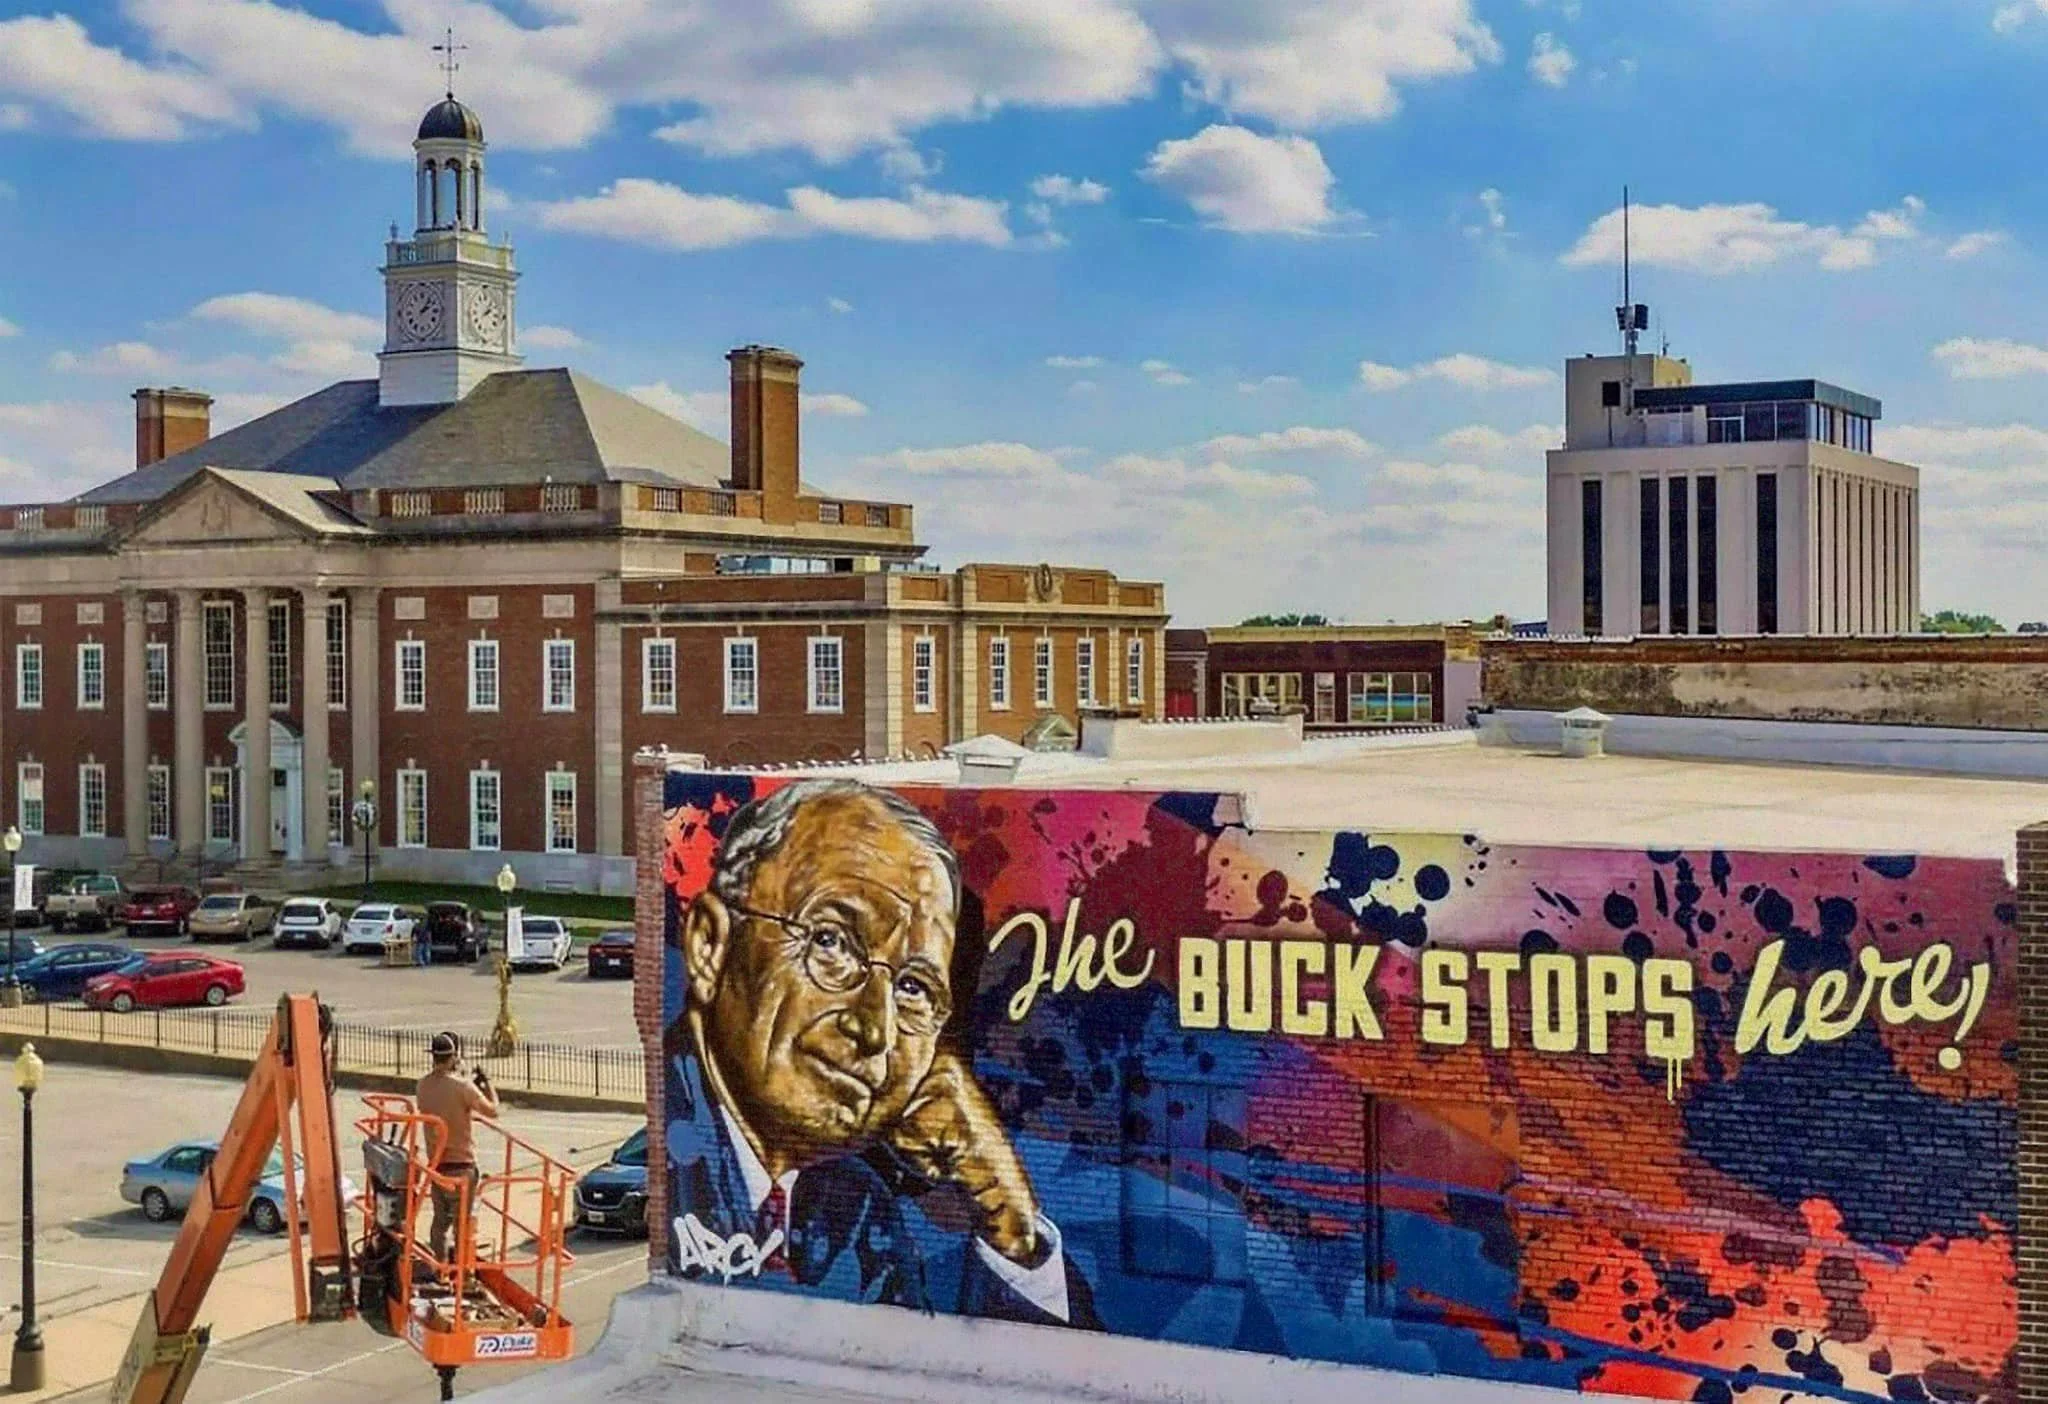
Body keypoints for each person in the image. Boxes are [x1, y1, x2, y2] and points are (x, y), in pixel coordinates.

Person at [665, 778, 1096, 1327]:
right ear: (709, 946)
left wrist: (1013, 1230)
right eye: (832, 942)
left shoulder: (854, 1202)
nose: (874, 1028)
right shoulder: (675, 1142)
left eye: (914, 989)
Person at [415, 1031, 499, 1267]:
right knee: (463, 1225)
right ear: (453, 1057)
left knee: (440, 1222)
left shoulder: (422, 1086)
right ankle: (463, 1273)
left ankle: (438, 1266)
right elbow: (493, 1110)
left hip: (437, 1166)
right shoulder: (463, 1087)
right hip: (462, 1166)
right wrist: (486, 1084)